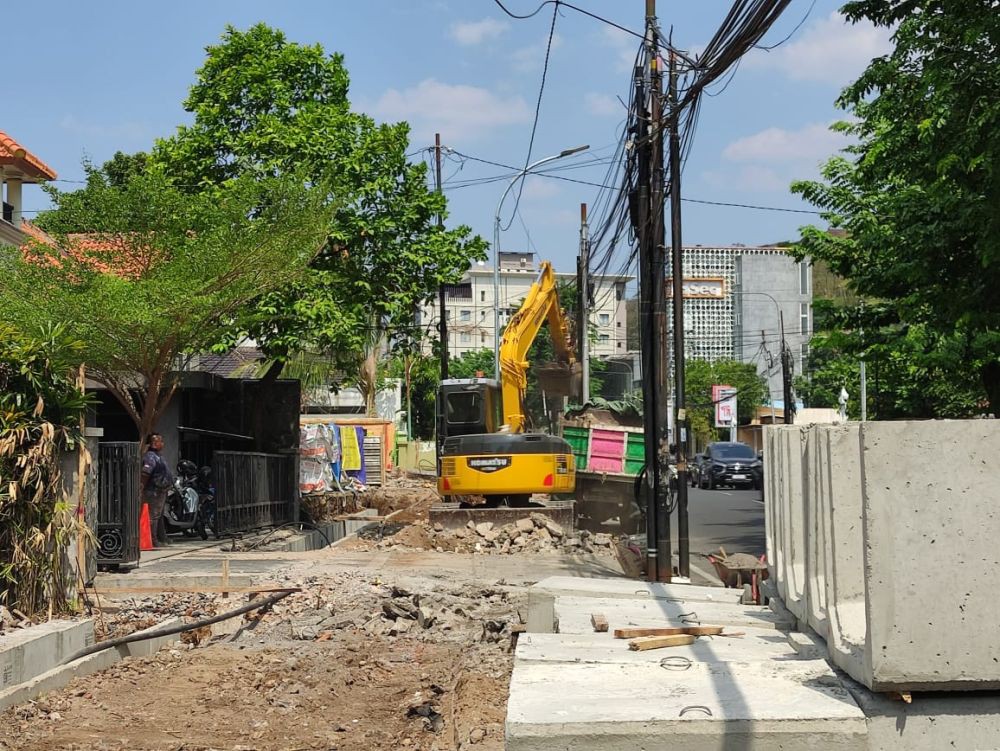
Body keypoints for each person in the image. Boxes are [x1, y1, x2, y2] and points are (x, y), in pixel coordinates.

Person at [140, 433, 174, 548]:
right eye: (160, 441)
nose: (162, 443)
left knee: (158, 516)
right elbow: (146, 473)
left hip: (160, 491)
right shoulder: (150, 456)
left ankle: (161, 537)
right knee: (153, 516)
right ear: (155, 443)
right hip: (153, 491)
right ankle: (153, 540)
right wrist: (141, 487)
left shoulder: (158, 455)